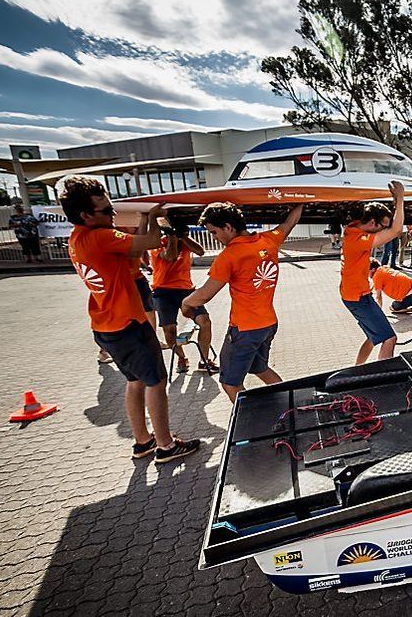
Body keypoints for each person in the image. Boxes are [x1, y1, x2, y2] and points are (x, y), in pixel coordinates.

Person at [60, 176, 200, 464]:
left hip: (106, 326)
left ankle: (142, 441)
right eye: (106, 211)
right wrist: (148, 215)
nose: (112, 214)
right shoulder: (101, 236)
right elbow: (149, 242)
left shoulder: (78, 238)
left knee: (135, 382)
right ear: (86, 215)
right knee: (157, 382)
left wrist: (147, 221)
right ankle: (166, 445)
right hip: (129, 325)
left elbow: (136, 250)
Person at [181, 201, 303, 402]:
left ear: (228, 227)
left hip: (245, 330)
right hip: (268, 325)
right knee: (260, 368)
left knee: (230, 383)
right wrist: (301, 200)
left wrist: (186, 302)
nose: (215, 238)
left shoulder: (229, 255)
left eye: (214, 232)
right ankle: (291, 405)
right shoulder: (269, 239)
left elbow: (205, 295)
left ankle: (256, 423)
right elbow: (290, 222)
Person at [337, 182, 406, 365]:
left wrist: (392, 202)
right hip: (357, 298)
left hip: (354, 295)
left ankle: (358, 369)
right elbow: (397, 230)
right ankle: (382, 380)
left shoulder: (353, 228)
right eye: (382, 227)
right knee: (390, 338)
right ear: (372, 222)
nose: (384, 231)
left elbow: (388, 223)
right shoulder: (356, 239)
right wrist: (400, 198)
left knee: (372, 337)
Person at [149, 223, 218, 374]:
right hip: (163, 292)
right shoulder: (158, 244)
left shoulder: (184, 241)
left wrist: (184, 236)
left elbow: (200, 251)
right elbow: (170, 256)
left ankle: (204, 361)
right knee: (169, 330)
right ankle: (181, 357)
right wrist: (173, 237)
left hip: (186, 290)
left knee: (204, 321)